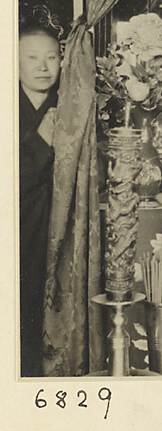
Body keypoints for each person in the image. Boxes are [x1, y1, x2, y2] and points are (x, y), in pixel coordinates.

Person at [19, 25, 61, 376]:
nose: (43, 66)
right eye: (31, 57)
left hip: (56, 229)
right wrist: (40, 143)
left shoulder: (67, 106)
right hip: (18, 233)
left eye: (51, 57)